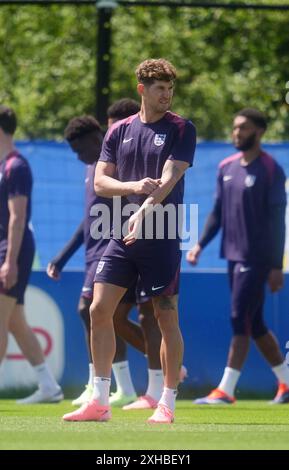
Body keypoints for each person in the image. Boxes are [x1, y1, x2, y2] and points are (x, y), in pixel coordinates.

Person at [63, 58, 196, 424]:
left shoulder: (182, 129)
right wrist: (133, 188)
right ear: (142, 89)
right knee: (98, 309)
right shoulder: (118, 131)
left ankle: (167, 402)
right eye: (159, 89)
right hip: (122, 233)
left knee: (165, 314)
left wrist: (142, 210)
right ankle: (101, 401)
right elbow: (101, 182)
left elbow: (169, 179)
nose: (166, 95)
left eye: (170, 89)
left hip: (162, 231)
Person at [48, 101, 166, 409]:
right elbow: (90, 218)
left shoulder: (128, 160)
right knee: (103, 314)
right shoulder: (98, 169)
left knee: (147, 316)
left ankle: (158, 380)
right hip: (107, 250)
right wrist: (62, 257)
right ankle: (115, 386)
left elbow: (145, 199)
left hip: (135, 245)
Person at [187, 108, 289, 405]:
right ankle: (286, 383)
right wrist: (200, 245)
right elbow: (217, 214)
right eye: (234, 128)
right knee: (253, 322)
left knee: (238, 317)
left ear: (259, 131)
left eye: (243, 128)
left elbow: (276, 223)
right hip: (232, 256)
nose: (236, 133)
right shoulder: (225, 167)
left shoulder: (271, 170)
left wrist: (274, 266)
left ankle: (226, 390)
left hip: (257, 259)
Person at [0, 105, 63, 404]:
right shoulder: (3, 165)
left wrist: (9, 261)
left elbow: (17, 217)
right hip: (6, 249)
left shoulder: (16, 166)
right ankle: (49, 386)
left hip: (13, 250)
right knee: (15, 321)